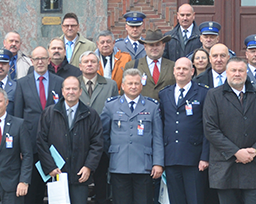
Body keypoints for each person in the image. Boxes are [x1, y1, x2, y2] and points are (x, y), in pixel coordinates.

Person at [202, 57, 256, 204]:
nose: (237, 74)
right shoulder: (214, 95)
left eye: (241, 70)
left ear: (246, 72)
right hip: (225, 166)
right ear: (226, 72)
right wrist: (236, 152)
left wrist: (255, 150)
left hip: (252, 165)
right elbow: (210, 129)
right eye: (233, 70)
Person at [101, 68, 164, 204]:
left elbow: (158, 137)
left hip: (144, 165)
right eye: (130, 83)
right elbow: (104, 136)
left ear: (142, 85)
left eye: (136, 83)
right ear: (123, 86)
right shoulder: (111, 105)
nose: (133, 87)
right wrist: (112, 153)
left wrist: (158, 163)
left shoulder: (152, 106)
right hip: (119, 164)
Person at [37, 76, 103, 204]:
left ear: (80, 91)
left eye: (74, 88)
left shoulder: (91, 114)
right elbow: (41, 141)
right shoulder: (49, 113)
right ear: (62, 91)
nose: (71, 91)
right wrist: (50, 166)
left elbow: (97, 143)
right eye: (67, 88)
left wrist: (89, 166)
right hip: (57, 174)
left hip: (80, 174)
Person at [13, 46, 64, 204]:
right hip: (31, 146)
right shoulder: (21, 83)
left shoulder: (59, 82)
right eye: (36, 59)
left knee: (55, 194)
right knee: (33, 192)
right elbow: (17, 117)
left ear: (49, 61)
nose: (40, 62)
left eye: (43, 58)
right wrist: (19, 146)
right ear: (31, 61)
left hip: (55, 147)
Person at [158, 58, 209, 204]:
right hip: (172, 156)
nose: (181, 71)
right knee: (176, 200)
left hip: (194, 158)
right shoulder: (164, 94)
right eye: (178, 68)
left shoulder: (203, 93)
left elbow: (207, 127)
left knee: (195, 199)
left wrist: (205, 157)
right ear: (173, 71)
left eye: (185, 69)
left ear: (192, 72)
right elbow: (162, 126)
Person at [77, 51, 117, 204]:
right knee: (80, 184)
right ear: (80, 66)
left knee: (101, 184)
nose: (89, 64)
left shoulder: (110, 84)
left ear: (98, 65)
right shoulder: (73, 83)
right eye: (86, 62)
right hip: (79, 142)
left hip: (102, 142)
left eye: (93, 61)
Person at [123, 29, 175, 100]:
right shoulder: (132, 65)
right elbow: (125, 92)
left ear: (163, 46)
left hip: (166, 109)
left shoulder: (173, 66)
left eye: (157, 45)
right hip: (142, 109)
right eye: (151, 45)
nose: (154, 48)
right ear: (145, 47)